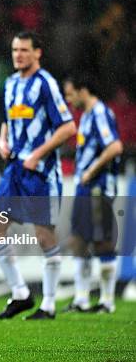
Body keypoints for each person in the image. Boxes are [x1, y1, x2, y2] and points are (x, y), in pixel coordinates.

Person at [0, 32, 77, 320]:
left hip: (40, 173)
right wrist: (2, 140)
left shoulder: (46, 85)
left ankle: (49, 304)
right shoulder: (11, 83)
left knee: (44, 236)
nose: (18, 55)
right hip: (14, 170)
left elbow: (67, 128)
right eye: (15, 50)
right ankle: (20, 294)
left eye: (25, 50)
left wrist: (38, 154)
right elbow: (7, 118)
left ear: (38, 53)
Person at [63, 77, 123, 313]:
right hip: (84, 186)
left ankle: (107, 301)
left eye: (70, 94)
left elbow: (115, 146)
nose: (69, 100)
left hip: (98, 185)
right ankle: (81, 299)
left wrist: (90, 170)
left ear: (83, 90)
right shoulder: (87, 115)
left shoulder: (100, 113)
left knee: (102, 241)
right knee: (78, 240)